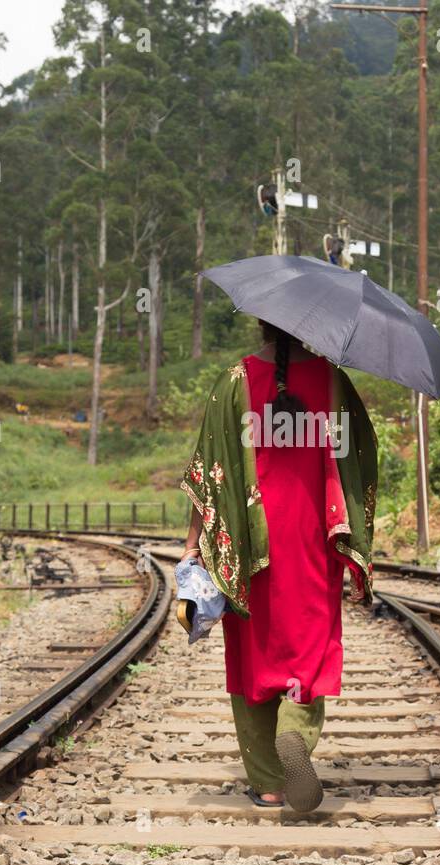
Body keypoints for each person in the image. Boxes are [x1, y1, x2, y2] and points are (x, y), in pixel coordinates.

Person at [180, 320, 377, 811]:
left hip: (250, 546)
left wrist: (192, 547)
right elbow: (362, 458)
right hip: (312, 540)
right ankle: (296, 729)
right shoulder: (333, 382)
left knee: (253, 657)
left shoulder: (234, 381)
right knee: (310, 648)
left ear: (260, 324)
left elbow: (210, 473)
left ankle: (268, 781)